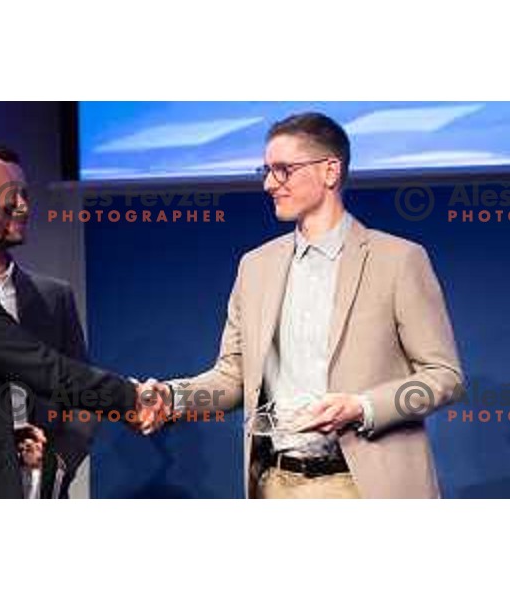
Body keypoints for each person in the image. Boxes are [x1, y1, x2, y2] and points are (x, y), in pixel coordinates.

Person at [148, 112, 464, 499]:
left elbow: (443, 376)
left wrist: (361, 406)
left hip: (365, 486)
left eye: (283, 170)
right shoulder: (255, 266)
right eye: (266, 170)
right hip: (275, 485)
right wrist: (173, 398)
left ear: (330, 171)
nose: (269, 184)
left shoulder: (397, 259)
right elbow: (233, 378)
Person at [0, 145, 160, 498]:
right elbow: (35, 363)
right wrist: (130, 397)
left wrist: (1, 434)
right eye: (4, 207)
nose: (4, 223)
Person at [0, 144, 96, 498]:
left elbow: (84, 398)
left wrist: (59, 464)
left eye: (26, 195)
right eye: (11, 195)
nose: (25, 207)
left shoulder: (53, 298)